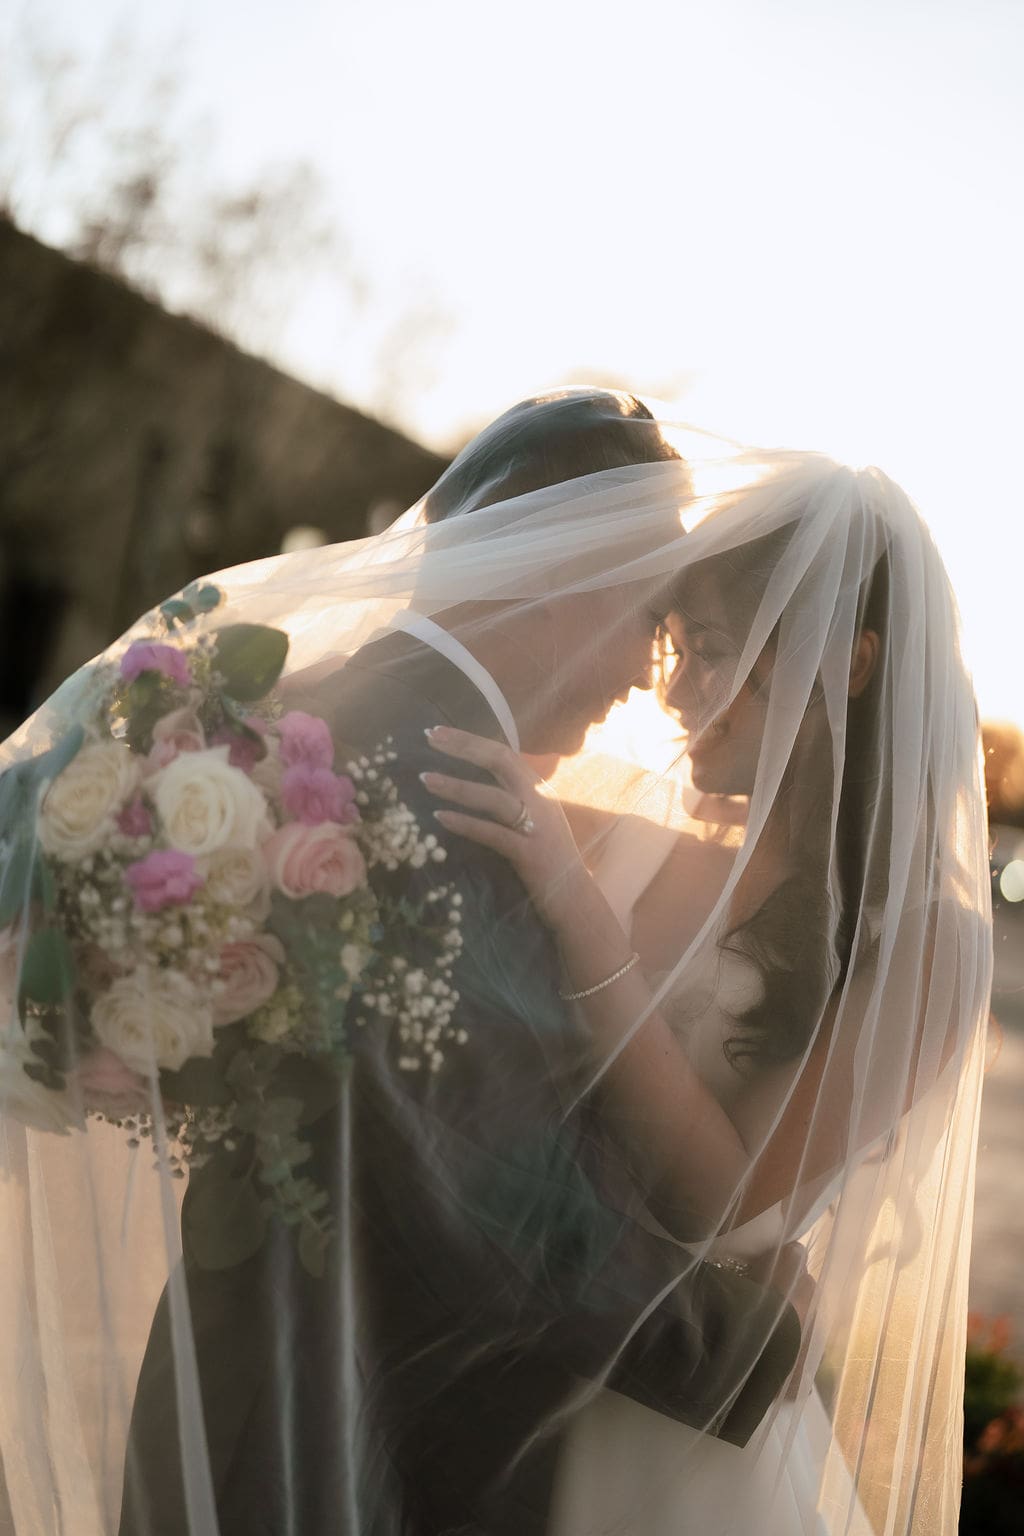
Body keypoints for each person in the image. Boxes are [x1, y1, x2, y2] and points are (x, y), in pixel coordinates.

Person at [0, 390, 800, 1536]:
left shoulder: (324, 711)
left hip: (261, 1387)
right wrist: (747, 1339)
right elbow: (483, 1177)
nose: (644, 673)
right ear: (561, 570)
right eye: (651, 619)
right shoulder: (434, 782)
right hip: (333, 1441)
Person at [419, 448, 993, 1533]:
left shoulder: (927, 943)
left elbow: (724, 1201)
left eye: (713, 651)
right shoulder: (605, 831)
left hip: (668, 1446)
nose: (673, 689)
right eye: (676, 647)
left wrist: (579, 915)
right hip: (483, 1385)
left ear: (849, 664)